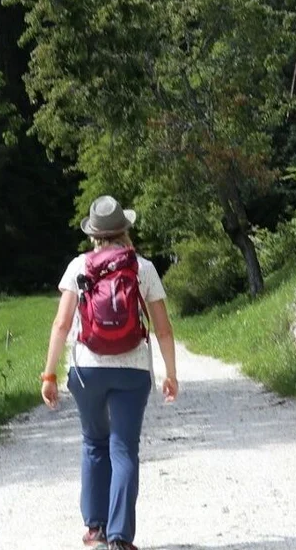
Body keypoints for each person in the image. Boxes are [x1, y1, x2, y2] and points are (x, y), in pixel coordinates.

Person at [40, 195, 179, 550]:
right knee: (123, 449)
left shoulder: (78, 266)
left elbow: (60, 324)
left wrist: (49, 374)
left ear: (94, 234)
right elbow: (163, 328)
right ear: (125, 231)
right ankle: (120, 537)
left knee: (93, 442)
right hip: (132, 371)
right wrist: (170, 373)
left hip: (87, 369)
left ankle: (95, 529)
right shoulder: (142, 268)